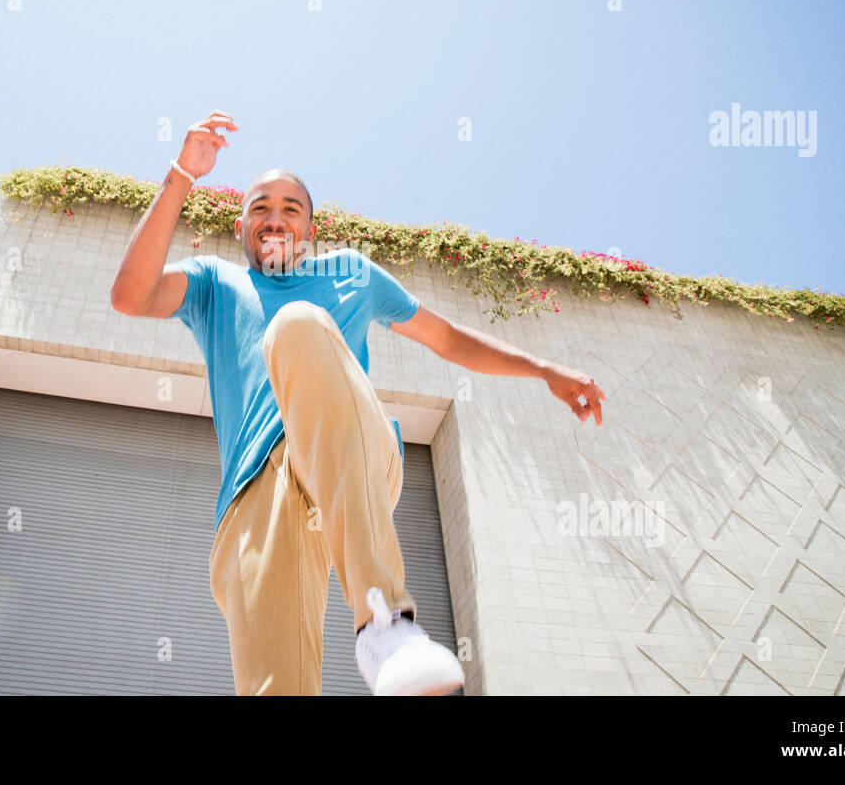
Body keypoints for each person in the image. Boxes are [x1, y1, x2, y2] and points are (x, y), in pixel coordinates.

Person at [110, 110, 607, 695]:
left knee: (296, 324)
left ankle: (386, 624)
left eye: (290, 209)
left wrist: (542, 368)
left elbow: (445, 338)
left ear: (311, 229)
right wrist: (181, 175)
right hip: (253, 496)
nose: (274, 219)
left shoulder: (350, 274)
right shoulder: (215, 283)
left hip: (349, 454)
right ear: (242, 227)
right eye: (259, 208)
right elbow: (130, 295)